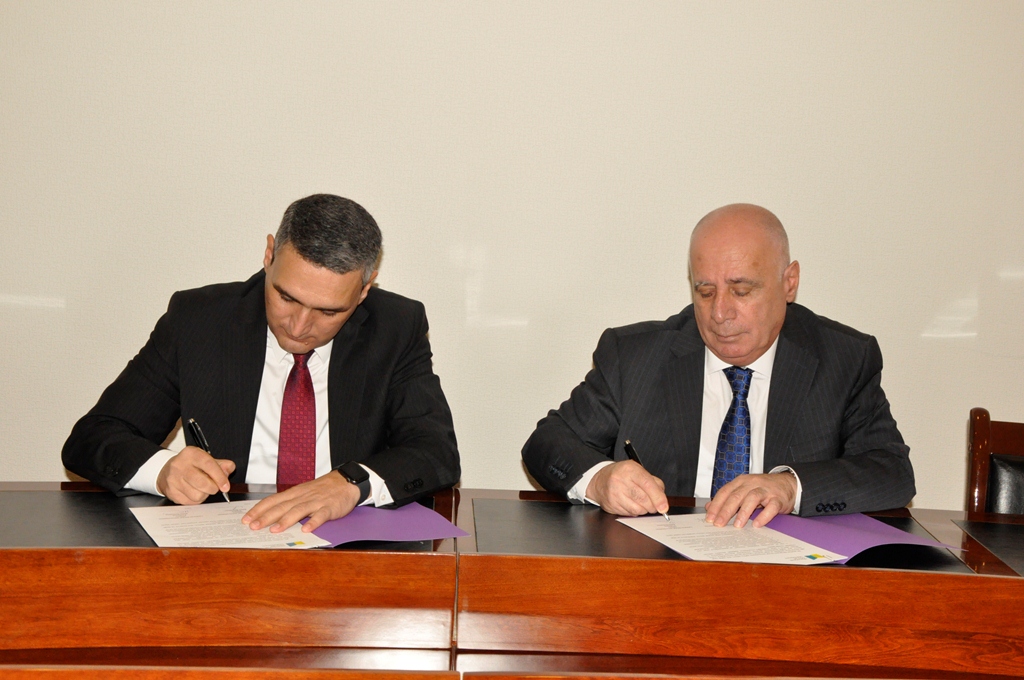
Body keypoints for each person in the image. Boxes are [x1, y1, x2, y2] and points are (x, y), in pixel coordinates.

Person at [63, 194, 460, 533]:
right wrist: (163, 471)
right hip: (226, 544)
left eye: (328, 311)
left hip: (347, 550)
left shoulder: (396, 327)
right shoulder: (198, 320)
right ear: (269, 255)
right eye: (286, 297)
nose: (299, 326)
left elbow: (435, 452)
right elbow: (93, 437)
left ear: (364, 290)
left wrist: (350, 483)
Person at [522, 203, 914, 528]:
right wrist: (599, 479)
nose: (720, 313)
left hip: (790, 581)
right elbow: (546, 443)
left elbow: (891, 472)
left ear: (789, 282)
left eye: (741, 290)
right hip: (660, 573)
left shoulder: (842, 359)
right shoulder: (635, 356)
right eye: (705, 292)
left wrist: (789, 487)